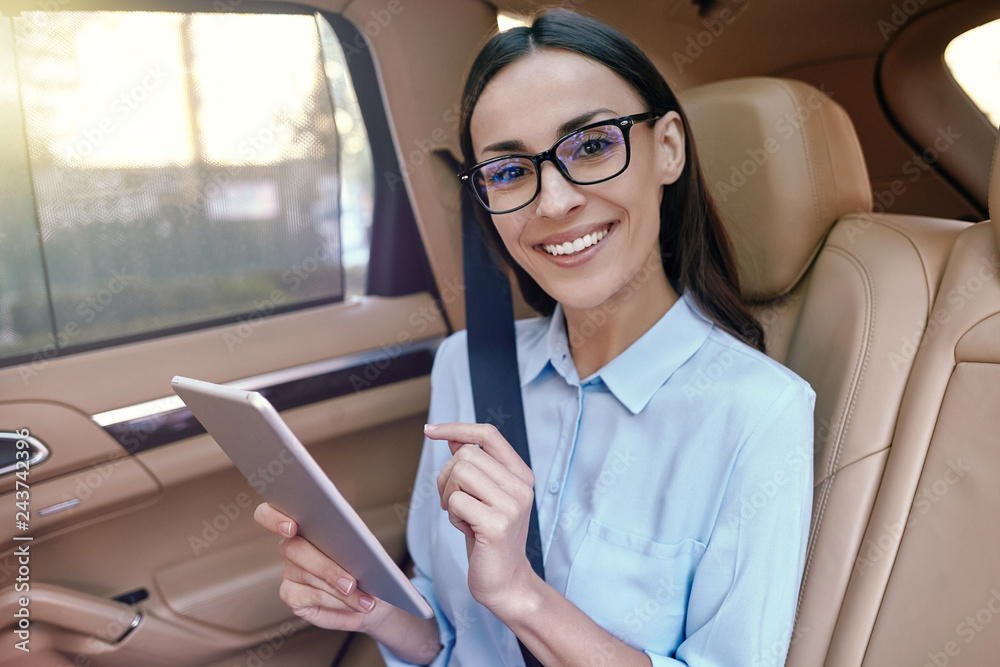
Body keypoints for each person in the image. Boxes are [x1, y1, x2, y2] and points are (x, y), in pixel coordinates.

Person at [255, 8, 814, 666]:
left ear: (668, 148)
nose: (553, 203)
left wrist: (521, 594)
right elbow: (445, 638)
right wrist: (372, 608)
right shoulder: (468, 366)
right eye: (510, 171)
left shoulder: (759, 413)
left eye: (593, 145)